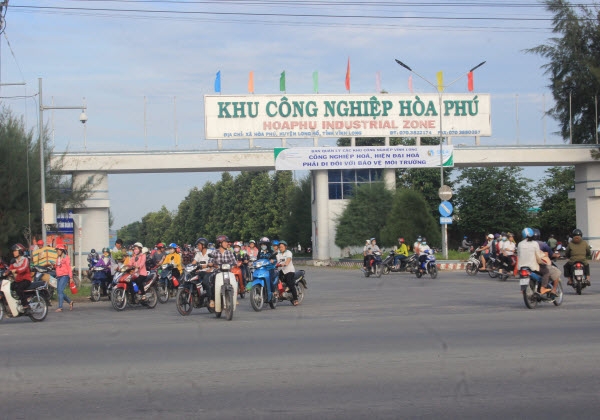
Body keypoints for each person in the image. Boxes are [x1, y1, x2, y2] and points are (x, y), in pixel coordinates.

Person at [517, 227, 551, 295]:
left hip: (521, 267)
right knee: (546, 272)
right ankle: (543, 288)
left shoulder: (520, 244)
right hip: (532, 266)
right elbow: (538, 256)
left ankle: (523, 289)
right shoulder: (535, 244)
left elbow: (519, 255)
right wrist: (543, 259)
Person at [209, 235, 237, 308]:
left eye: (227, 242)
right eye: (225, 242)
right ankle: (212, 300)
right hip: (217, 272)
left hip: (228, 272)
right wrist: (212, 264)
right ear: (220, 243)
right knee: (212, 281)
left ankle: (234, 298)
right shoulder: (214, 252)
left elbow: (234, 262)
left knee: (235, 281)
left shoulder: (229, 252)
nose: (226, 244)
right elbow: (210, 261)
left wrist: (233, 265)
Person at [9, 243, 32, 310]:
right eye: (13, 251)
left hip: (26, 280)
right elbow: (9, 269)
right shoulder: (13, 261)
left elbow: (24, 268)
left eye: (15, 251)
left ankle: (25, 304)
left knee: (19, 288)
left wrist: (15, 270)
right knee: (9, 287)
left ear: (20, 251)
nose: (14, 252)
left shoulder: (25, 259)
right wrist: (5, 273)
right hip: (18, 280)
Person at [276, 240, 299, 305]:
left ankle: (295, 299)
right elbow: (274, 260)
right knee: (276, 279)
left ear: (285, 247)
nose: (281, 248)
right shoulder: (278, 253)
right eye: (280, 247)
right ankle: (280, 291)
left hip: (289, 271)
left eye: (282, 247)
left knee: (290, 283)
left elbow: (288, 260)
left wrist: (285, 263)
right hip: (281, 271)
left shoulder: (288, 252)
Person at [192, 237, 214, 303]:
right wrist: (189, 267)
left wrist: (210, 269)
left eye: (199, 245)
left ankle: (210, 299)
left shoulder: (211, 252)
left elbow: (214, 263)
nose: (198, 247)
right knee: (192, 279)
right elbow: (194, 262)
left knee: (205, 281)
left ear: (203, 245)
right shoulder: (198, 254)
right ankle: (198, 295)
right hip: (201, 272)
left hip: (210, 272)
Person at [54, 244, 75, 312]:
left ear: (62, 250)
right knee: (59, 291)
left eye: (58, 250)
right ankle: (70, 301)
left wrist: (71, 277)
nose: (57, 251)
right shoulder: (58, 258)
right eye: (57, 250)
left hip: (64, 276)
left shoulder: (66, 257)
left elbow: (69, 268)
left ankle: (60, 307)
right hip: (58, 276)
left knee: (60, 290)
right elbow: (56, 267)